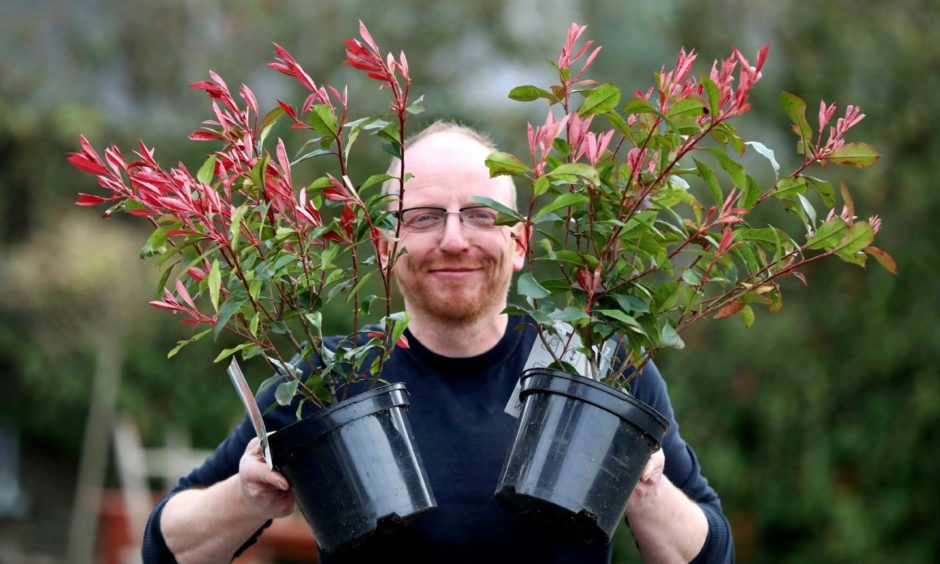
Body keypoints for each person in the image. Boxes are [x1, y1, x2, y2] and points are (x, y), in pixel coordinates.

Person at [142, 122, 734, 563]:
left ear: (520, 240)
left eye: (480, 215)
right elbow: (164, 549)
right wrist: (247, 498)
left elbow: (711, 555)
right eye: (424, 218)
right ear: (383, 245)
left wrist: (648, 492)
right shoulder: (323, 383)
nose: (454, 240)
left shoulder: (598, 370)